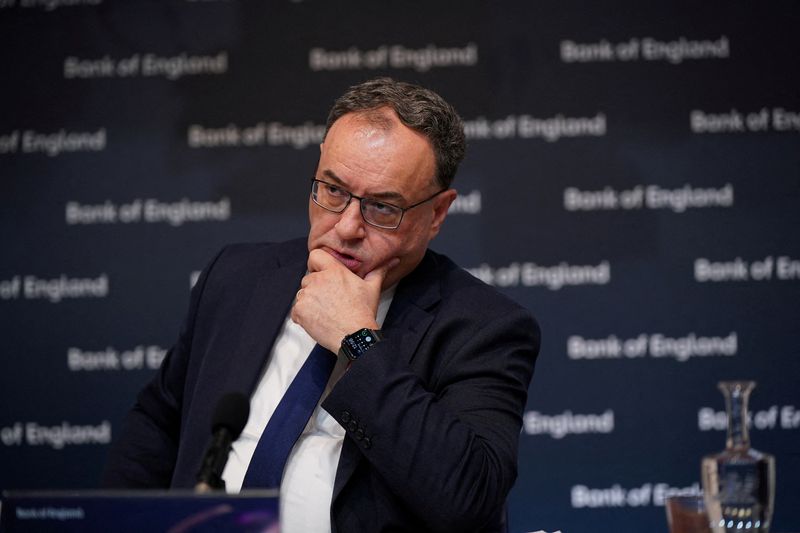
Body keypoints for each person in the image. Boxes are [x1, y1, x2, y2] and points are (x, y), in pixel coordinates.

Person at [103, 77, 540, 533]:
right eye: (333, 190)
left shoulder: (483, 327)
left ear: (436, 214)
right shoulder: (237, 277)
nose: (348, 226)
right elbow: (158, 424)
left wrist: (358, 341)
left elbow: (467, 499)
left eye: (383, 208)